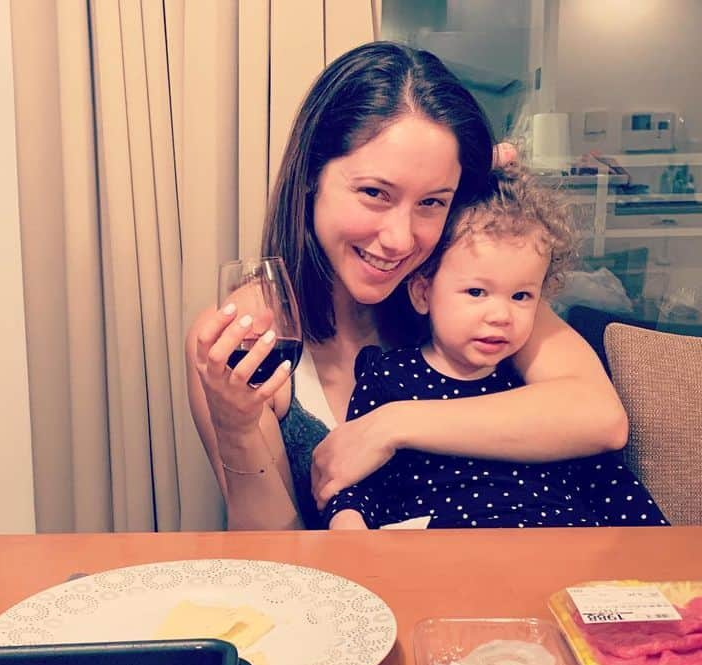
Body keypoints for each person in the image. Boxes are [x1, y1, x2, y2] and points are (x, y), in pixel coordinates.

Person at [186, 41, 629, 531]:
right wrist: (236, 428)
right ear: (313, 174)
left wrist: (390, 426)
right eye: (375, 193)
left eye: (432, 202)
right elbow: (272, 552)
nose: (400, 240)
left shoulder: (468, 285)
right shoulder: (251, 333)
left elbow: (598, 417)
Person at [322, 167, 669, 529]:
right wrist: (351, 528)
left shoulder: (536, 387)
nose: (502, 315)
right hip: (440, 557)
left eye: (521, 296)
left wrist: (664, 563)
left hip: (558, 551)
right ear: (423, 293)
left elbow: (609, 483)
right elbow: (356, 480)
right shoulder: (388, 376)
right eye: (476, 292)